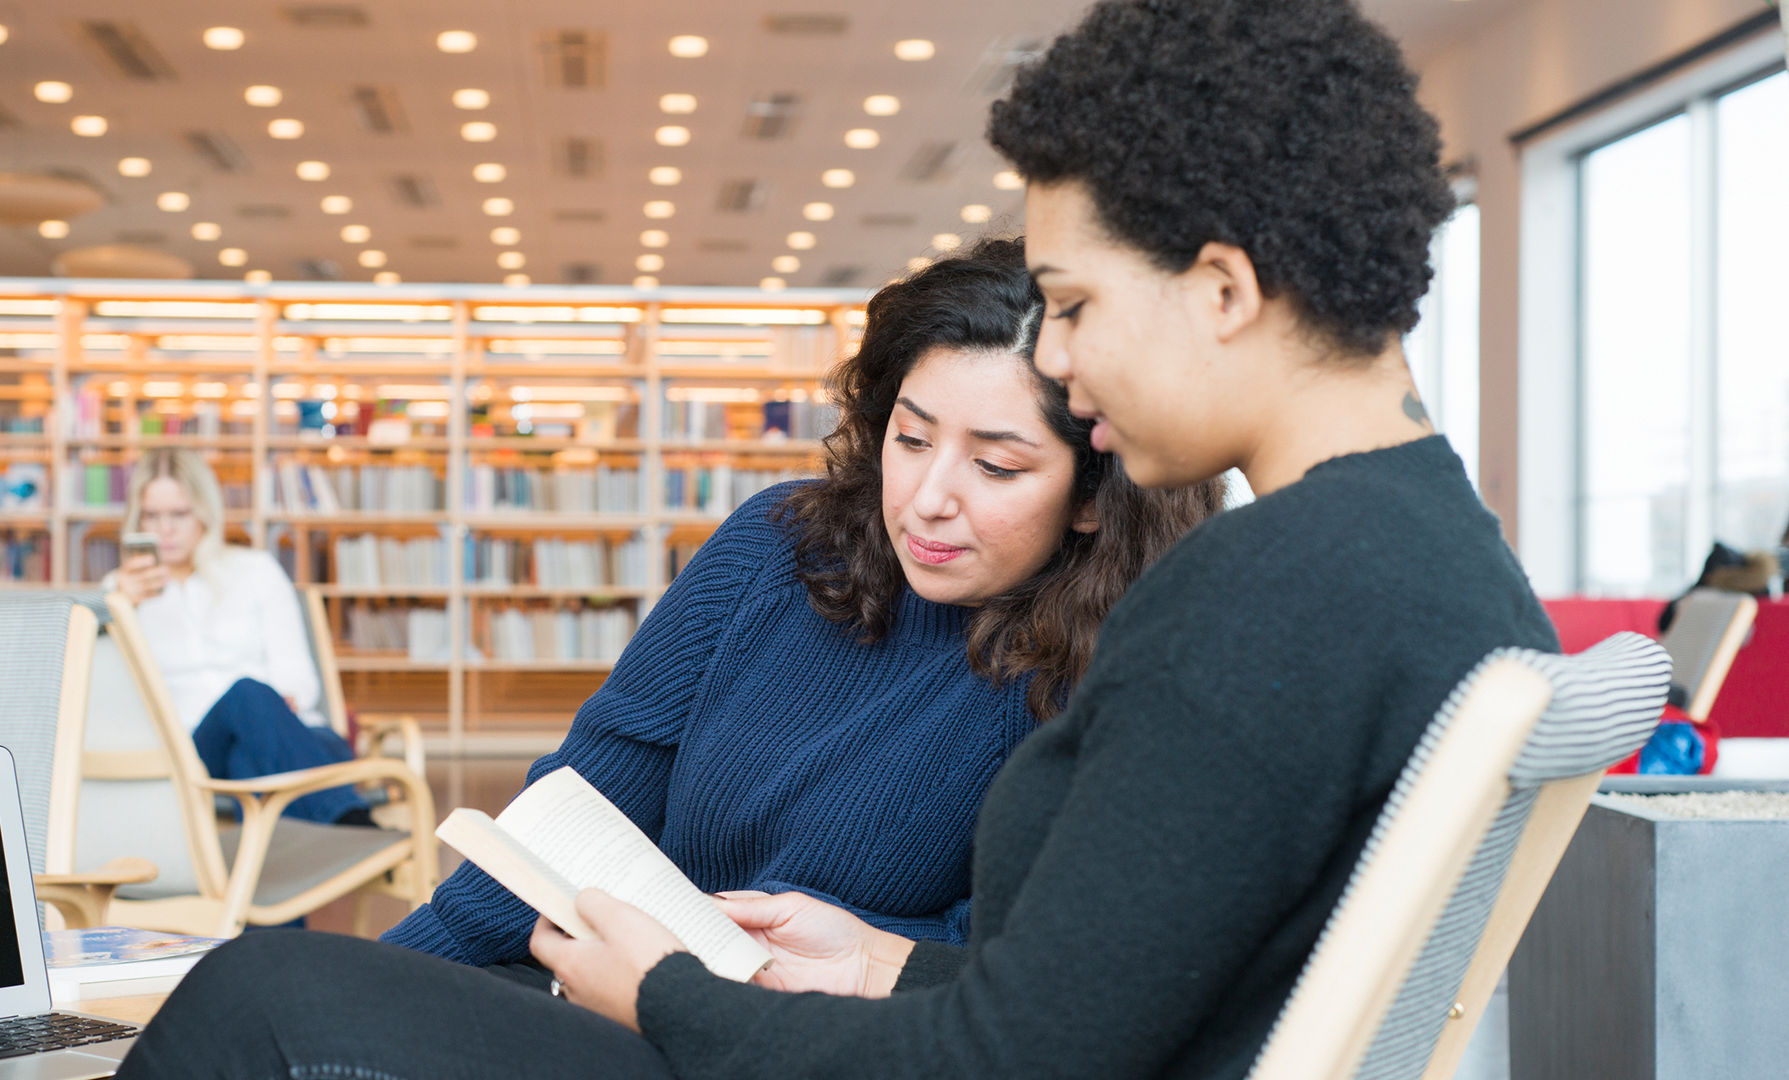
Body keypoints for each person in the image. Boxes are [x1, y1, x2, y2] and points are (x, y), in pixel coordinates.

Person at [117, 2, 1559, 1076]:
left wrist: (681, 993)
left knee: (260, 1000)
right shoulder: (1438, 561)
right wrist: (874, 961)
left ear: (1224, 289)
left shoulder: (1253, 601)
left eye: (1074, 302)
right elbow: (1080, 1009)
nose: (1065, 350)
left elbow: (1015, 1061)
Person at [380, 237, 1220, 974]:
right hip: (599, 998)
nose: (927, 499)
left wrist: (747, 957)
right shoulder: (776, 546)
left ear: (1095, 496)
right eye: (912, 437)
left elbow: (1013, 968)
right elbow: (581, 807)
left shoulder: (1115, 667)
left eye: (995, 467)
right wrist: (394, 976)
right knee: (287, 996)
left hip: (804, 1045)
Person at [107, 449, 371, 826]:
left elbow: (299, 679)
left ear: (205, 513)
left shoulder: (255, 571)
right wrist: (119, 605)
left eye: (180, 514)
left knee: (247, 744)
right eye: (152, 515)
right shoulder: (117, 595)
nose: (164, 529)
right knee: (244, 700)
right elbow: (109, 702)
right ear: (137, 518)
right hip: (198, 754)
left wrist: (271, 711)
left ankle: (280, 870)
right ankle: (357, 830)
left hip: (298, 738)